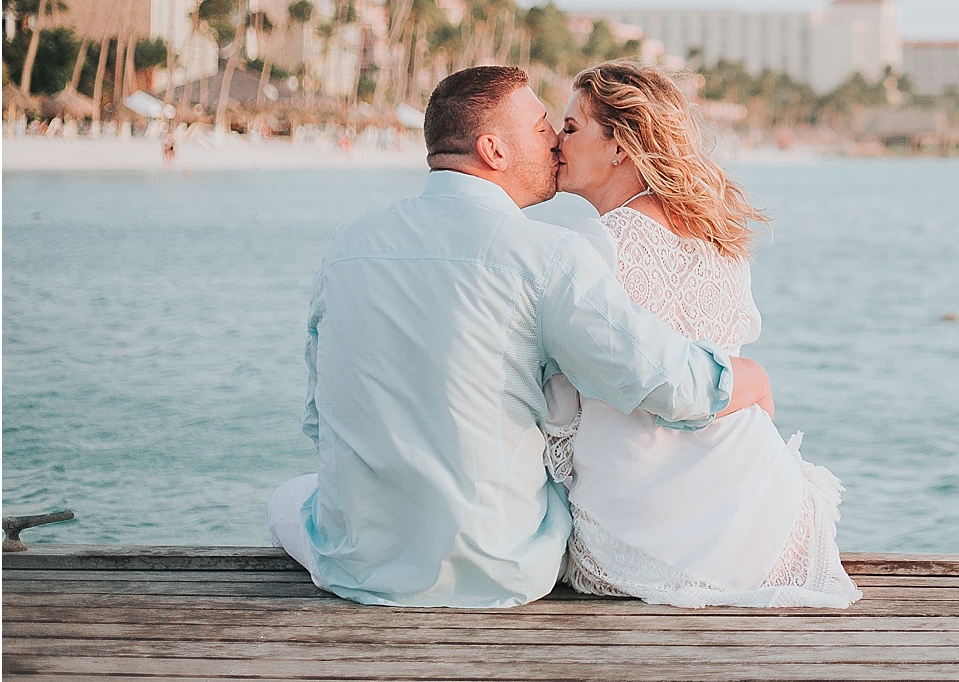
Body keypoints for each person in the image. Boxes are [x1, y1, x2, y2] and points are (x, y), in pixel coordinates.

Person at [265, 65, 773, 608]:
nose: (554, 142)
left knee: (286, 498)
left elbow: (320, 413)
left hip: (359, 564)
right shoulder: (549, 255)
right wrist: (749, 378)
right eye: (540, 129)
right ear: (494, 150)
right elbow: (668, 382)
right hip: (502, 569)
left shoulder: (349, 244)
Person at [546, 61, 859, 607]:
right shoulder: (717, 239)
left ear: (621, 145)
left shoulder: (592, 244)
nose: (556, 141)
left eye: (571, 128)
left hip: (644, 521)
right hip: (758, 509)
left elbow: (559, 404)